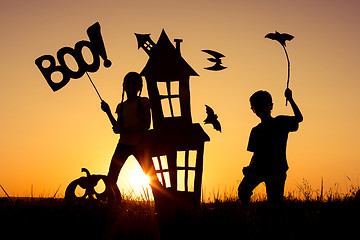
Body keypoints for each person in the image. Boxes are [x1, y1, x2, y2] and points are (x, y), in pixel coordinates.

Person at [238, 88, 303, 213]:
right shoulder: (256, 130)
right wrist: (250, 168)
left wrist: (290, 99)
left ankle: (266, 223)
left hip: (276, 170)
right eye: (255, 107)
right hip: (260, 168)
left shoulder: (280, 122)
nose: (258, 109)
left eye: (261, 105)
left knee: (275, 205)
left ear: (270, 106)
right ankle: (247, 217)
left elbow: (299, 118)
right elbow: (256, 154)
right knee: (243, 190)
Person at [101, 72, 153, 202]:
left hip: (140, 146)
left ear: (139, 87)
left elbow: (146, 125)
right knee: (111, 177)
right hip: (123, 145)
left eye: (134, 82)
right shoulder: (121, 107)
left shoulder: (144, 102)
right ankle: (114, 203)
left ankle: (163, 206)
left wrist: (123, 130)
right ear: (123, 85)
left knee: (152, 178)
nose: (130, 84)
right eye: (127, 82)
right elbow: (117, 128)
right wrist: (108, 112)